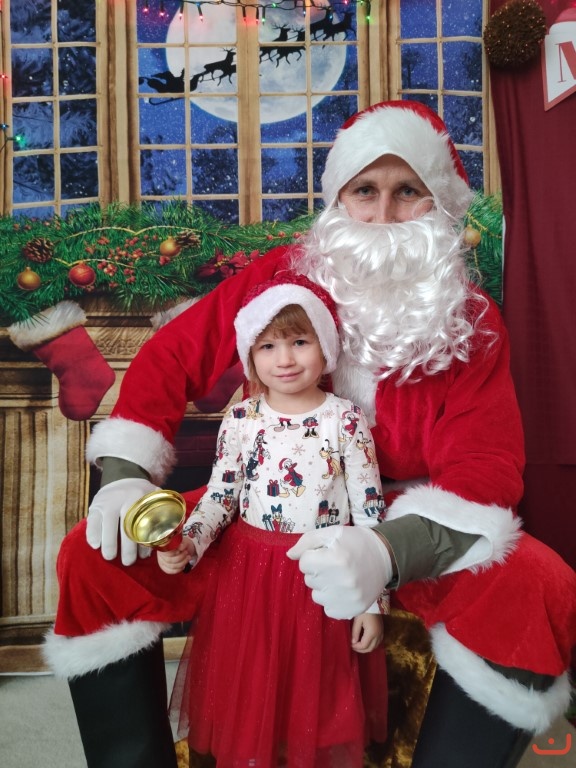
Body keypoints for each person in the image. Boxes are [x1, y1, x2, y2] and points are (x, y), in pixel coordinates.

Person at [43, 100, 576, 768]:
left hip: (402, 515)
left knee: (535, 586)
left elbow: (486, 467)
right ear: (338, 200)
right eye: (365, 191)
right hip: (259, 506)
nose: (383, 216)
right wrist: (126, 477)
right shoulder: (283, 277)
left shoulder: (472, 319)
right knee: (97, 556)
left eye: (407, 191)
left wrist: (386, 551)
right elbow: (171, 357)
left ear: (439, 203)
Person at [157, 273, 388, 766]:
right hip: (251, 575)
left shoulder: (346, 420)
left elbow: (370, 513)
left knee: (316, 682)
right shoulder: (242, 420)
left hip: (323, 572)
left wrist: (372, 601)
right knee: (254, 680)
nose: (284, 359)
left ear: (325, 348)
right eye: (268, 346)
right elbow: (221, 495)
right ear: (251, 356)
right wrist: (191, 541)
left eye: (299, 342)